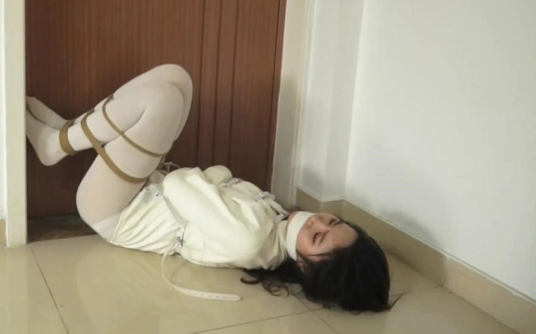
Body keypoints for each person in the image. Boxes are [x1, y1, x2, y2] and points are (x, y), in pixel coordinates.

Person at [25, 64, 392, 312]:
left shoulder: (252, 238)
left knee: (164, 98)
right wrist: (214, 180)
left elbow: (180, 183)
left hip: (115, 211)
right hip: (142, 189)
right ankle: (67, 132)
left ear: (304, 267)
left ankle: (56, 144)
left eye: (318, 237)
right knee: (176, 78)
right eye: (331, 221)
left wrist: (216, 179)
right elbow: (209, 178)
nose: (317, 222)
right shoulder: (275, 222)